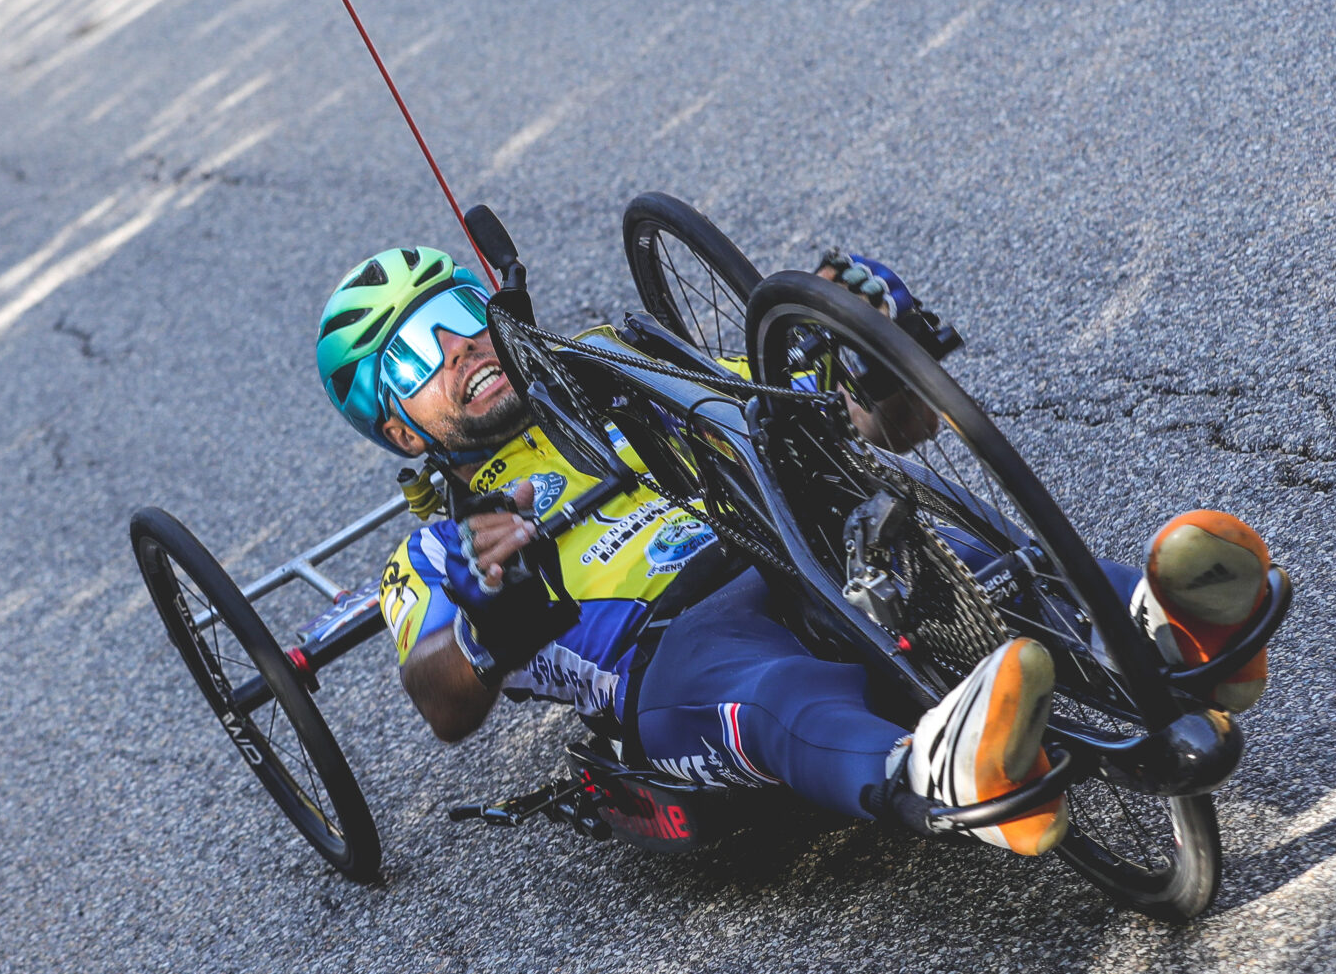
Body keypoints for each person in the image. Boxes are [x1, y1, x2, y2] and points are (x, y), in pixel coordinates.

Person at [323, 245, 1276, 857]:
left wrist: (872, 350)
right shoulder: (438, 545)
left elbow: (868, 427)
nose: (454, 349)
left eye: (456, 316)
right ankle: (938, 771)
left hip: (790, 541)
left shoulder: (615, 372)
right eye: (412, 355)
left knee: (980, 568)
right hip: (667, 648)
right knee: (775, 689)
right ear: (401, 431)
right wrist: (488, 623)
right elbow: (441, 697)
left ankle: (1168, 623)